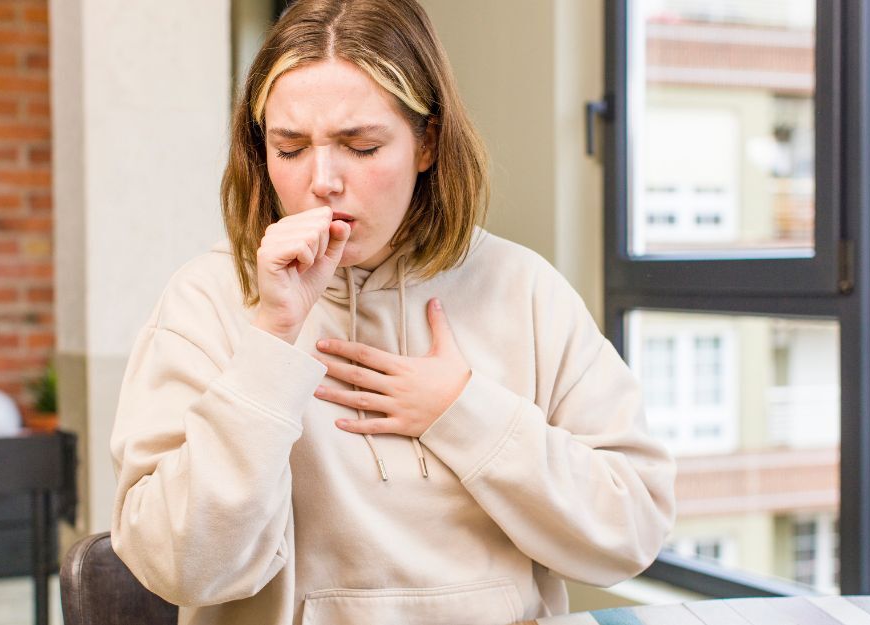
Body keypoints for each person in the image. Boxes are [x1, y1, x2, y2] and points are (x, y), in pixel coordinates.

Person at [109, 1, 675, 623]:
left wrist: (461, 410)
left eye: (361, 145)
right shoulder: (204, 300)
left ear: (427, 142)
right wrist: (270, 344)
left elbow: (632, 529)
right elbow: (181, 568)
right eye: (291, 149)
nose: (323, 180)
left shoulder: (526, 289)